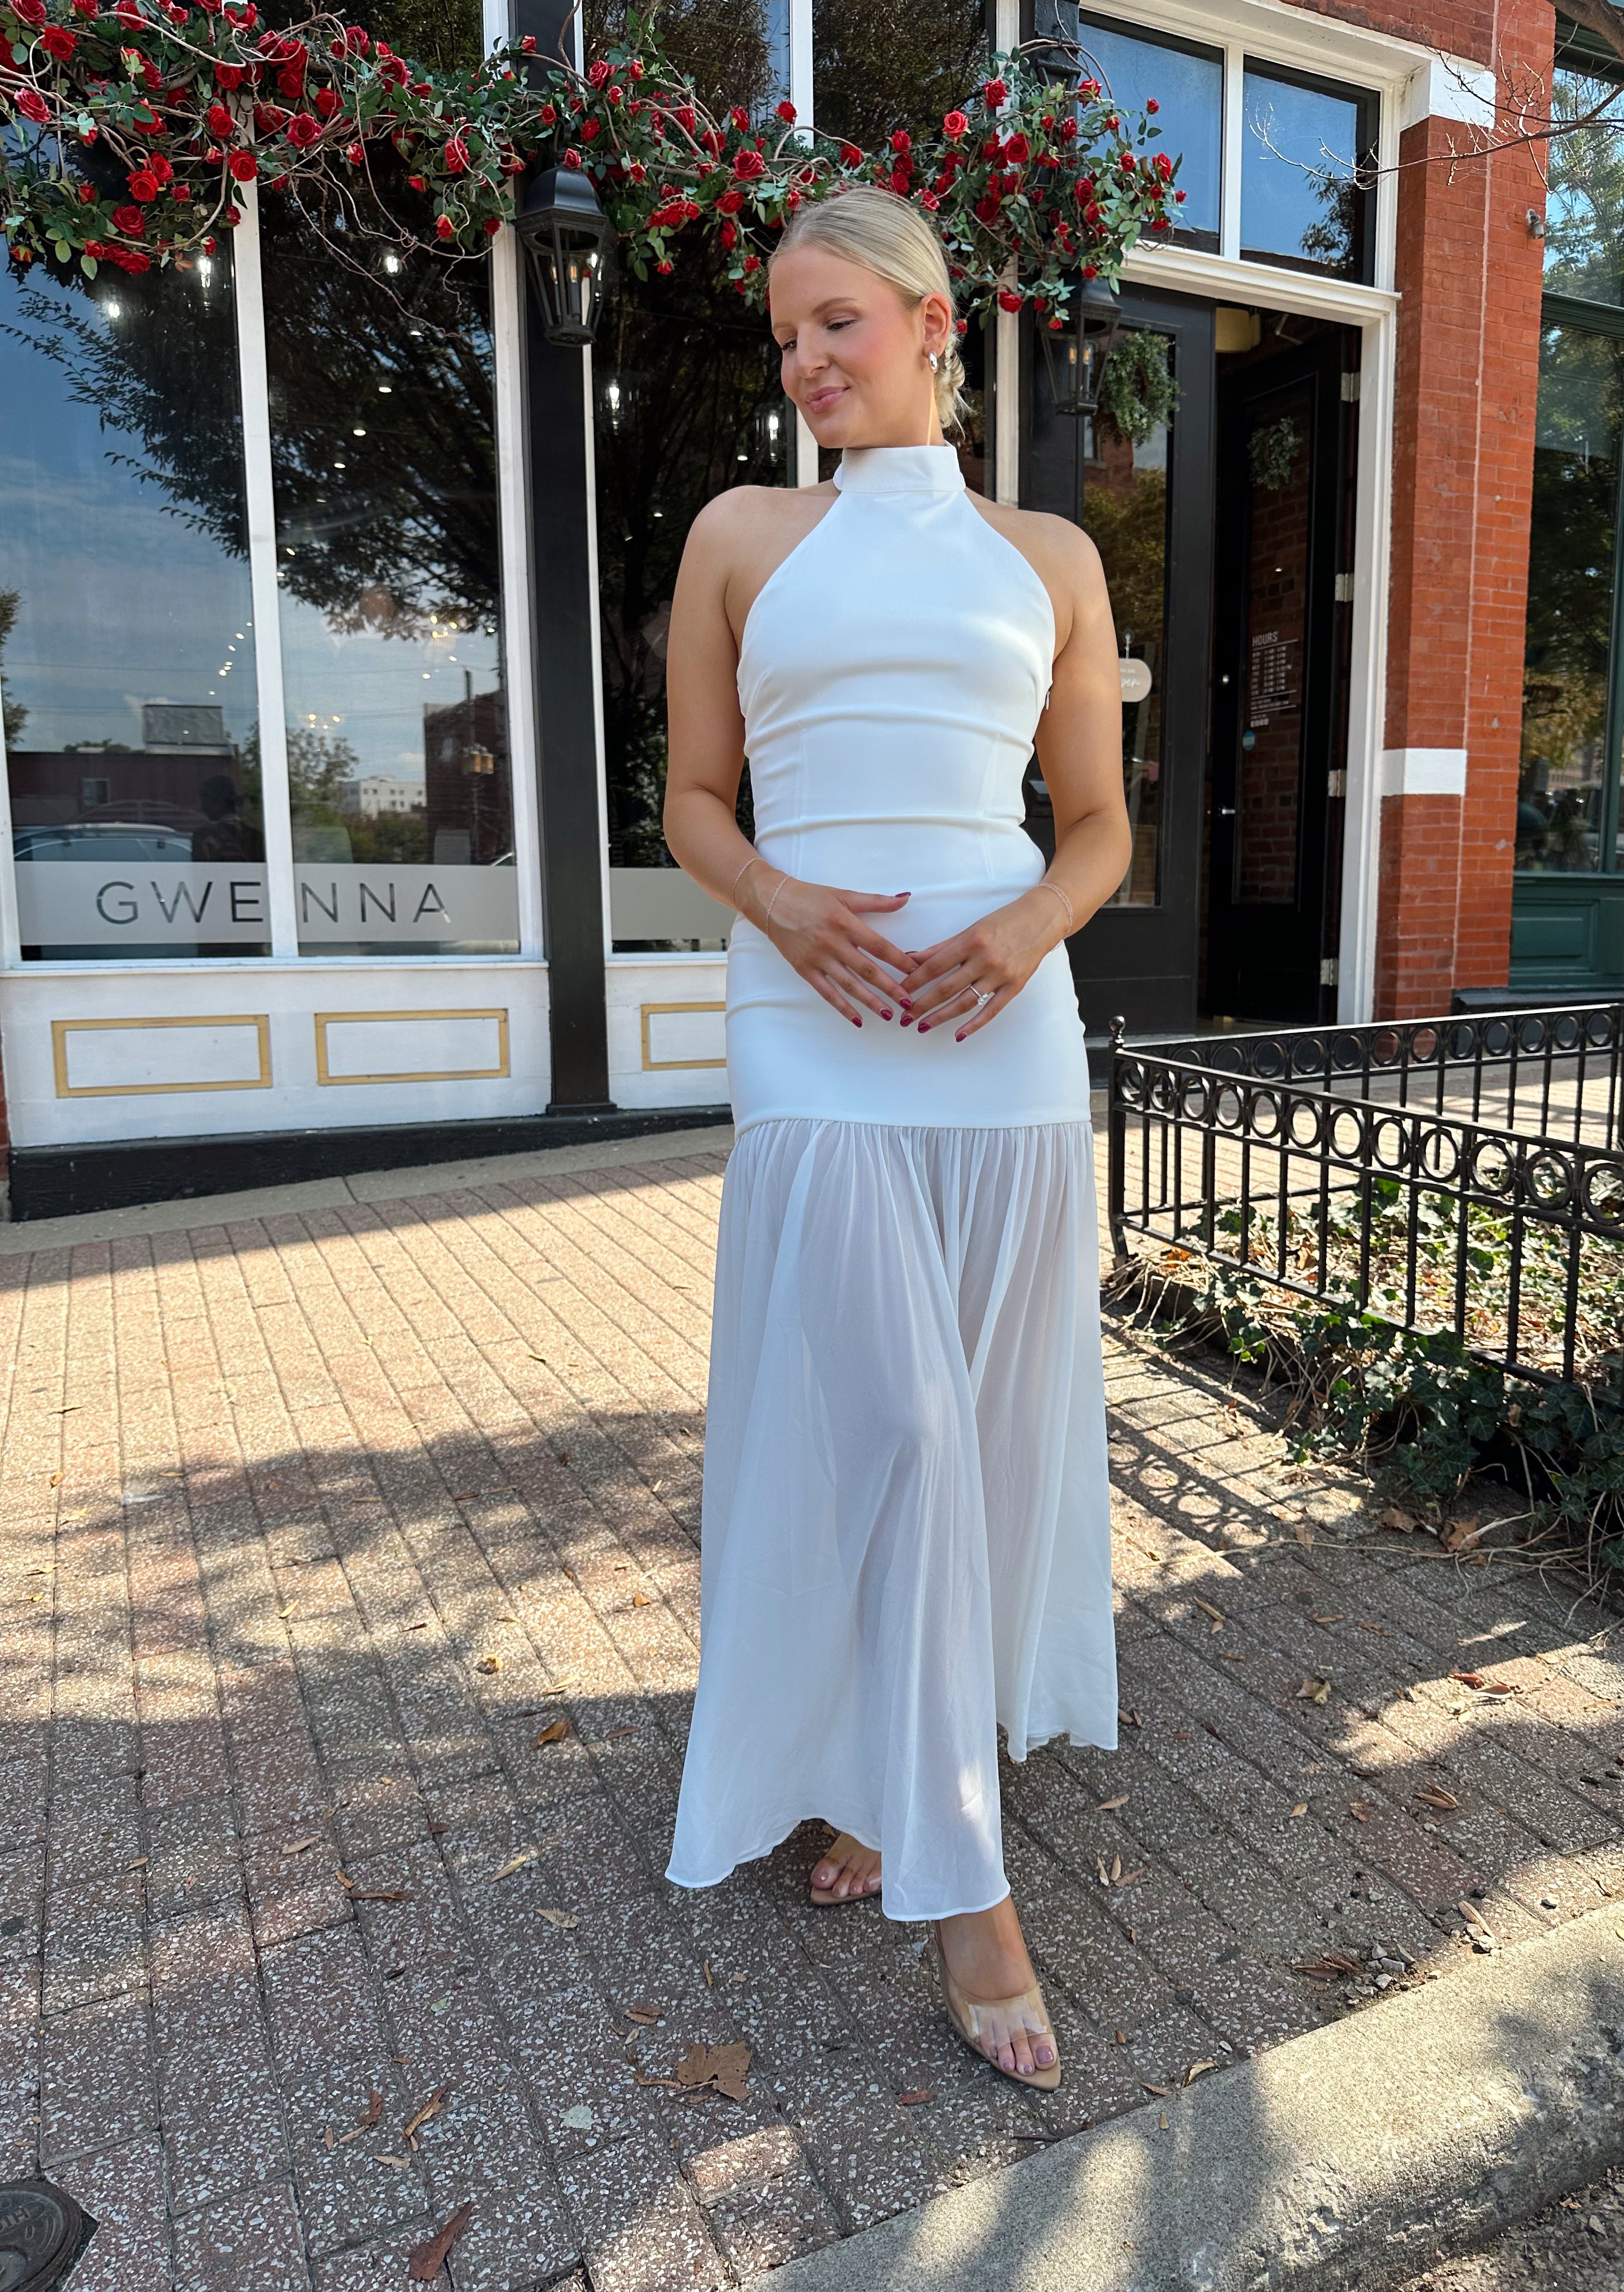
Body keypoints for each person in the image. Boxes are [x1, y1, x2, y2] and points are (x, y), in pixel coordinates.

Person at [660, 185, 1131, 2089]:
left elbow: (1098, 826)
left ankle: (886, 1781)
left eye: (838, 322)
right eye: (788, 336)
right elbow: (694, 800)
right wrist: (784, 909)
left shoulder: (1052, 558)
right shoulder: (744, 537)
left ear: (940, 325)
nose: (807, 362)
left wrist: (1024, 928)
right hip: (813, 1030)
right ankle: (973, 1900)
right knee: (906, 1432)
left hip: (1008, 1044)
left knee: (992, 1433)